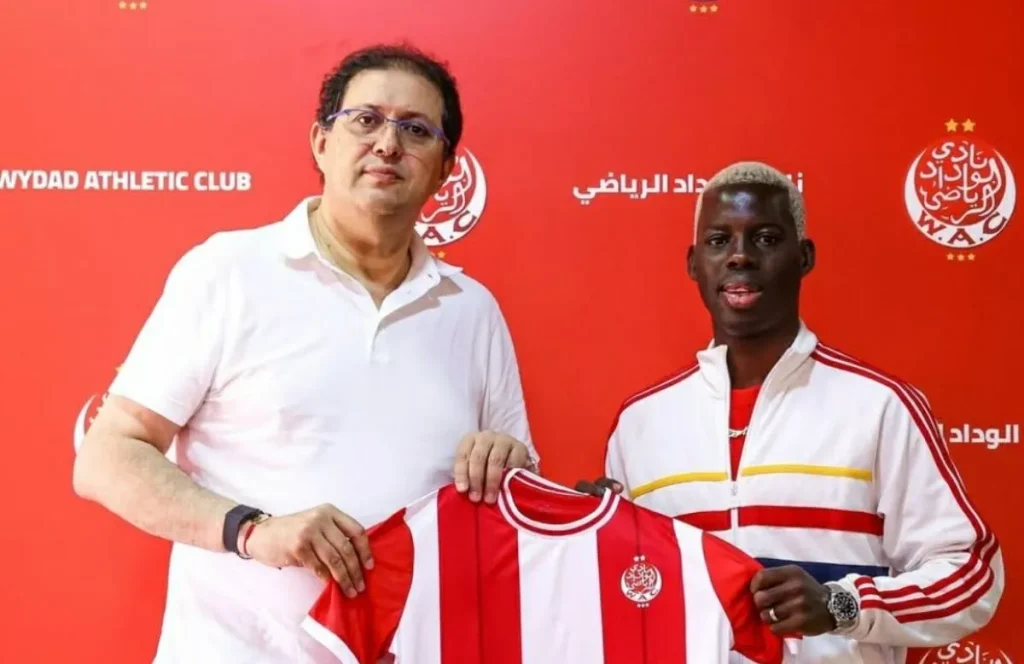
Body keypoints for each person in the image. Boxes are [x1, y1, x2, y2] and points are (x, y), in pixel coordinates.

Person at [72, 44, 538, 663]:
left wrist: (507, 462)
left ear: (446, 169)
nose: (388, 144)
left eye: (415, 130)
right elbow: (107, 456)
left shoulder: (471, 310)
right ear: (321, 142)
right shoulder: (229, 271)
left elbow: (518, 497)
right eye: (365, 120)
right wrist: (252, 530)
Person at [577, 161, 1003, 663]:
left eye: (765, 238)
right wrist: (593, 541)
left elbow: (971, 576)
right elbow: (630, 599)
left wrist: (842, 605)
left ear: (803, 257)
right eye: (719, 241)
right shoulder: (641, 423)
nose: (740, 256)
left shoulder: (879, 405)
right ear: (694, 264)